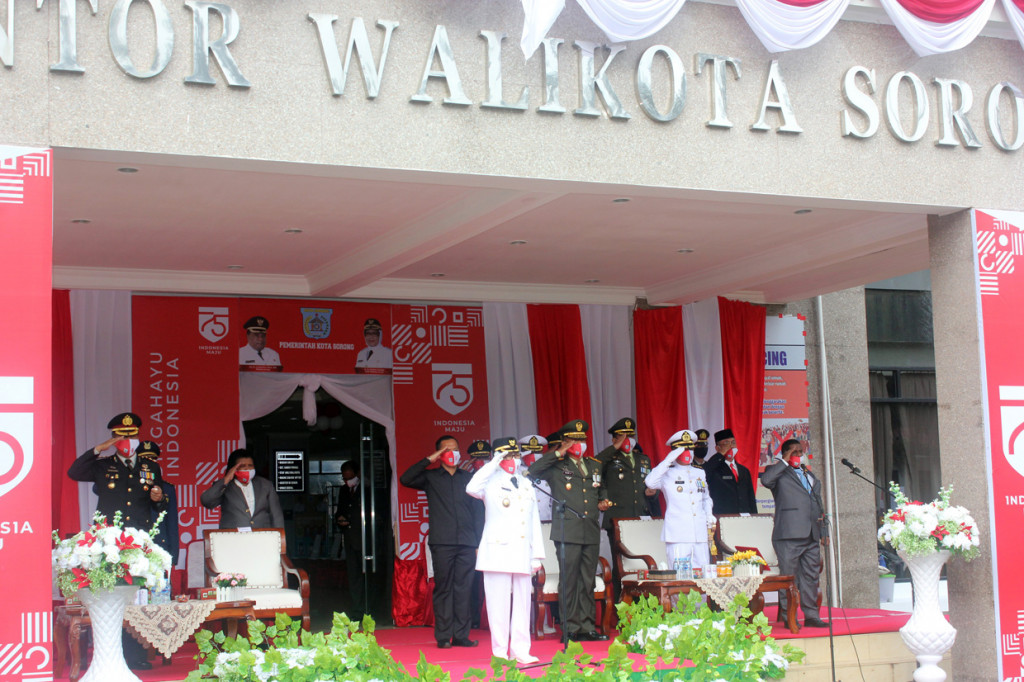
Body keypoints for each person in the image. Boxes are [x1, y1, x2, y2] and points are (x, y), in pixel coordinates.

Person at [67, 412, 165, 671]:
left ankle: (135, 655)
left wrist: (158, 498)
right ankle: (109, 653)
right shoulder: (102, 464)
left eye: (131, 435)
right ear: (113, 437)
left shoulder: (149, 466)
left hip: (138, 540)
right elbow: (74, 472)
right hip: (110, 542)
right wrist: (99, 449)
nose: (127, 440)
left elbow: (160, 501)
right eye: (121, 436)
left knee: (136, 596)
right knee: (113, 595)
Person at [527, 419, 609, 642]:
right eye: (574, 440)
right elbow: (532, 472)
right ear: (565, 441)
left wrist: (604, 501)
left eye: (582, 440)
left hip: (590, 529)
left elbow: (601, 489)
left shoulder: (594, 465)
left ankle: (587, 627)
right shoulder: (556, 465)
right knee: (570, 580)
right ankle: (570, 627)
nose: (579, 444)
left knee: (588, 580)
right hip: (568, 531)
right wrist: (557, 452)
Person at [466, 437, 545, 663]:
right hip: (498, 551)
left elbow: (534, 521)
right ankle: (500, 652)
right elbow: (471, 487)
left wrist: (536, 554)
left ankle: (521, 650)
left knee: (522, 603)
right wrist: (494, 462)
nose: (512, 460)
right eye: (507, 455)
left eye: (514, 455)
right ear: (498, 457)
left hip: (522, 551)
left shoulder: (526, 483)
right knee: (498, 605)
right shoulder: (489, 482)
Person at [400, 434, 482, 649]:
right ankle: (444, 636)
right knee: (444, 588)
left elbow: (477, 512)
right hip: (442, 542)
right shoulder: (431, 478)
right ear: (439, 454)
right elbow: (405, 478)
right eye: (446, 449)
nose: (452, 453)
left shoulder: (469, 478)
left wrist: (478, 542)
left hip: (467, 542)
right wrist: (430, 459)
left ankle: (462, 635)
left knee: (464, 588)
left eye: (455, 449)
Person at [762, 439, 830, 629]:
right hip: (788, 535)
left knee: (811, 576)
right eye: (795, 452)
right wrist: (784, 460)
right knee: (788, 578)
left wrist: (823, 530)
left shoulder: (809, 474)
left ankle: (811, 615)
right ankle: (788, 616)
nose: (799, 455)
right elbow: (766, 481)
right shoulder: (778, 473)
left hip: (811, 534)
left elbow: (818, 504)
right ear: (785, 453)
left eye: (801, 451)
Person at [596, 417, 659, 602]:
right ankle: (620, 607)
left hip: (641, 518)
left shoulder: (643, 460)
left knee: (642, 563)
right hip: (618, 519)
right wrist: (614, 448)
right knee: (621, 564)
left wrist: (652, 493)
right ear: (614, 439)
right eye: (623, 436)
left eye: (630, 435)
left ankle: (644, 605)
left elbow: (650, 486)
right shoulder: (608, 460)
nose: (627, 439)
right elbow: (595, 464)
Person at [644, 429, 715, 569]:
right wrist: (668, 459)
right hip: (678, 534)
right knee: (679, 577)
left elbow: (706, 498)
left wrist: (709, 513)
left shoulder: (699, 472)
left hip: (699, 533)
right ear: (674, 452)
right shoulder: (667, 473)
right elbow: (650, 482)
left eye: (690, 448)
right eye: (683, 449)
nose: (688, 453)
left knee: (703, 576)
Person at [200, 449, 284, 528]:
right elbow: (206, 501)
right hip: (234, 538)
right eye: (242, 466)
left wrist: (280, 539)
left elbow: (276, 515)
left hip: (261, 537)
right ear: (233, 468)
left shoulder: (266, 485)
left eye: (250, 465)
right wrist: (226, 479)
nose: (247, 469)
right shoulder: (225, 486)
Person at [334, 460, 367, 620]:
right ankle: (357, 610)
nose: (348, 481)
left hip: (365, 539)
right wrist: (340, 519)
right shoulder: (343, 490)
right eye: (345, 478)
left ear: (358, 474)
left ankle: (369, 610)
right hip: (349, 538)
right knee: (353, 576)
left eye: (350, 477)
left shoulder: (367, 489)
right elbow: (340, 510)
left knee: (368, 576)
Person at [705, 428, 757, 515]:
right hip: (723, 517)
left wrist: (755, 516)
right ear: (718, 448)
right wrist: (720, 454)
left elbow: (751, 497)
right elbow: (705, 472)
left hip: (744, 517)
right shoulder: (714, 469)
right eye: (726, 443)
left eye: (733, 442)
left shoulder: (743, 470)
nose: (731, 446)